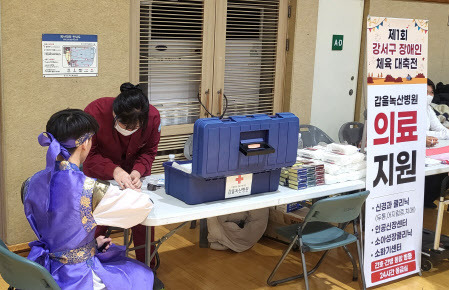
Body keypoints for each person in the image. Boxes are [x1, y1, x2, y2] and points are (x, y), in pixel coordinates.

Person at [24, 109, 155, 289]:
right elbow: (142, 207)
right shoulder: (89, 189)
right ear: (85, 143)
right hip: (74, 276)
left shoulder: (31, 183)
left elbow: (59, 228)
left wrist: (90, 244)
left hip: (41, 270)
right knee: (142, 273)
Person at [83, 82, 160, 264]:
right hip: (100, 175)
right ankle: (87, 263)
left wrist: (137, 171)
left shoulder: (153, 117)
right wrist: (114, 170)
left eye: (132, 128)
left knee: (142, 217)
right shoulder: (95, 111)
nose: (126, 130)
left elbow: (149, 151)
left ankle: (147, 266)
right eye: (122, 124)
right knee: (97, 220)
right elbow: (88, 154)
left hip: (132, 179)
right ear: (114, 113)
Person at [425, 79, 447, 208]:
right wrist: (428, 135)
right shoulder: (407, 108)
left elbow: (440, 129)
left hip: (431, 148)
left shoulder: (428, 109)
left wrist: (432, 135)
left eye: (431, 92)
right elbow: (416, 133)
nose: (429, 95)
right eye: (425, 92)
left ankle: (428, 198)